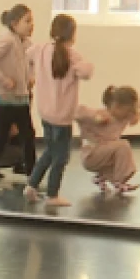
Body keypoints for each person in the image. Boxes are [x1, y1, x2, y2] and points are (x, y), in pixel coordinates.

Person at [26, 14, 94, 208]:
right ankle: (52, 194)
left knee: (50, 150)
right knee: (61, 156)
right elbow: (87, 73)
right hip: (62, 117)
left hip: (45, 112)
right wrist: (88, 65)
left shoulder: (40, 49)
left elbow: (27, 55)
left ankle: (31, 185)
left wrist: (32, 74)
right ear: (72, 34)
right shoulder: (73, 56)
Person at [0, 4, 37, 190]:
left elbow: (31, 63)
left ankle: (29, 169)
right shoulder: (6, 40)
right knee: (7, 136)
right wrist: (4, 80)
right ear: (14, 23)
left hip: (21, 98)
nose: (31, 25)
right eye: (27, 21)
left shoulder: (24, 43)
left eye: (31, 21)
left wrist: (29, 78)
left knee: (26, 134)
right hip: (6, 100)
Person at [77, 86, 140, 197]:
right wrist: (95, 117)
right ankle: (118, 180)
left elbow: (134, 120)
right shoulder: (102, 114)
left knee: (117, 153)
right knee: (123, 146)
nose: (126, 114)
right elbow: (77, 111)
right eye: (126, 110)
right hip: (91, 156)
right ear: (115, 105)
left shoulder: (122, 118)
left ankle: (103, 178)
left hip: (104, 156)